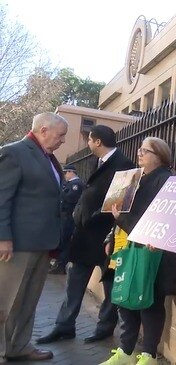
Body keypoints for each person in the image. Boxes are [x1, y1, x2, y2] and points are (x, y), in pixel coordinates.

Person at [37, 125, 135, 345]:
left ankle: (105, 327)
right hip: (85, 236)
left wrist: (89, 216)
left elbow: (120, 204)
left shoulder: (124, 165)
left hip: (106, 237)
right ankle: (64, 326)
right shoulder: (97, 162)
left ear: (98, 141)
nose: (88, 144)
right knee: (74, 282)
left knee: (110, 286)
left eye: (90, 140)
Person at [100, 137, 176, 365]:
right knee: (124, 297)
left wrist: (122, 218)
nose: (139, 154)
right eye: (140, 150)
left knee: (149, 301)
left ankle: (148, 355)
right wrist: (111, 234)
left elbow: (156, 221)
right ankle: (126, 352)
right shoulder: (134, 178)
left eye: (145, 151)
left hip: (151, 251)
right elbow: (120, 210)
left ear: (160, 156)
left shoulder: (167, 181)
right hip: (126, 246)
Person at [0, 112, 68, 362]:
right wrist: (2, 236)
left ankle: (18, 346)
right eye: (60, 135)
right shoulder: (14, 152)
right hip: (16, 244)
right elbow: (1, 197)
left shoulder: (47, 157)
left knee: (28, 301)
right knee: (5, 301)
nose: (62, 141)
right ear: (43, 130)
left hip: (42, 243)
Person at [49, 164, 85, 275]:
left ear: (71, 172)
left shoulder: (76, 184)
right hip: (64, 216)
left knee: (65, 241)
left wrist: (61, 193)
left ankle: (61, 265)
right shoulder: (69, 184)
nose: (65, 175)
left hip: (69, 216)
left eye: (66, 172)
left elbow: (71, 198)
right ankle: (58, 263)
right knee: (62, 239)